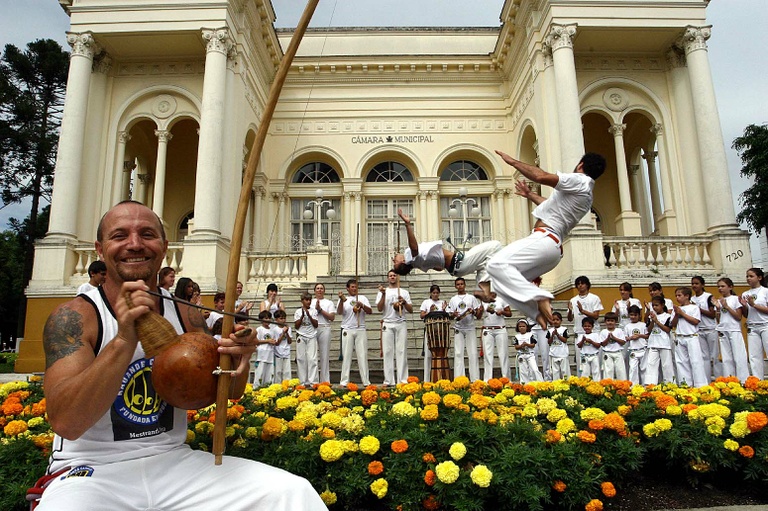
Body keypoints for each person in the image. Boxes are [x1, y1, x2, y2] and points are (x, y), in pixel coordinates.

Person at [37, 201, 325, 510]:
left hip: (172, 463)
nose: (134, 244)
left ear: (163, 246)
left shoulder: (186, 313)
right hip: (90, 472)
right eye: (120, 235)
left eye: (147, 234)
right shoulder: (76, 316)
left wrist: (239, 359)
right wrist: (123, 340)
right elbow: (67, 422)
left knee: (292, 494)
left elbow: (226, 391)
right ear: (99, 248)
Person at [487, 151, 606, 327]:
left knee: (495, 264)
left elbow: (541, 176)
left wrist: (513, 162)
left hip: (545, 239)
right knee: (500, 281)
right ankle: (535, 306)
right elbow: (550, 206)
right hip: (552, 250)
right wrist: (530, 195)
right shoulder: (587, 195)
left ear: (580, 165)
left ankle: (539, 297)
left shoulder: (579, 180)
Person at [393, 209, 502, 299]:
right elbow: (414, 248)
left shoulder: (418, 264)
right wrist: (407, 224)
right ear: (403, 262)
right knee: (495, 246)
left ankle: (480, 289)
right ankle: (483, 283)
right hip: (459, 263)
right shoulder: (409, 257)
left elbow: (439, 268)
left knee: (485, 263)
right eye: (395, 262)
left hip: (456, 270)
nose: (393, 259)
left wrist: (438, 257)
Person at [377, 270, 413, 385]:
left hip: (400, 323)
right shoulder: (383, 291)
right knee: (387, 352)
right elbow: (379, 308)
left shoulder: (404, 292)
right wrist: (383, 294)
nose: (392, 277)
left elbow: (411, 309)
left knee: (401, 351)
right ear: (388, 278)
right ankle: (388, 380)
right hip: (387, 322)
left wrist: (404, 302)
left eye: (394, 275)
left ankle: (402, 380)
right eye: (390, 276)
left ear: (397, 277)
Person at [337, 279, 372, 387]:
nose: (354, 288)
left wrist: (362, 305)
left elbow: (370, 311)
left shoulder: (362, 298)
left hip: (360, 328)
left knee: (362, 356)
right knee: (347, 356)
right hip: (348, 329)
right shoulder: (344, 299)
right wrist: (341, 302)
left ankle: (366, 381)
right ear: (347, 288)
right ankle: (344, 381)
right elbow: (339, 312)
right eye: (352, 287)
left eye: (356, 286)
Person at [446, 277, 482, 381]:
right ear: (455, 286)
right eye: (458, 284)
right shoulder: (453, 299)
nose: (460, 286)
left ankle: (475, 379)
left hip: (470, 327)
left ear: (465, 285)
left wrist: (474, 311)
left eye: (462, 284)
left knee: (473, 353)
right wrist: (454, 314)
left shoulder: (471, 298)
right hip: (458, 328)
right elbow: (450, 316)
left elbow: (478, 315)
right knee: (458, 353)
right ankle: (459, 379)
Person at [671, 286, 707, 387]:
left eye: (679, 295)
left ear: (687, 296)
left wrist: (682, 313)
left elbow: (695, 321)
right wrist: (677, 314)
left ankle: (700, 385)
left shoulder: (694, 307)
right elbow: (673, 324)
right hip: (679, 336)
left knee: (696, 361)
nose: (677, 298)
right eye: (676, 296)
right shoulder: (677, 309)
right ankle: (685, 384)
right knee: (681, 362)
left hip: (691, 336)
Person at [715, 277, 749, 382]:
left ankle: (743, 380)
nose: (720, 288)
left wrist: (727, 307)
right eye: (719, 286)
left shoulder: (735, 299)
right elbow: (719, 319)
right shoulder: (719, 300)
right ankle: (729, 380)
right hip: (723, 330)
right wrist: (718, 309)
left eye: (723, 286)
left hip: (734, 330)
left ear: (730, 287)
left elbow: (738, 317)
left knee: (739, 356)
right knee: (726, 358)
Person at [568, 276, 603, 374]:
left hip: (594, 332)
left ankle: (598, 383)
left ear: (587, 285)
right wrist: (570, 311)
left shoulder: (594, 298)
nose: (580, 285)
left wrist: (582, 311)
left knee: (596, 362)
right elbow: (570, 319)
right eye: (578, 284)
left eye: (582, 283)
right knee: (581, 363)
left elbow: (596, 316)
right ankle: (582, 383)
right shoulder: (573, 300)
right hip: (579, 332)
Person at [740, 267, 768, 379]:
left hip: (765, 325)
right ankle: (757, 382)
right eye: (747, 276)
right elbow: (746, 314)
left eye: (751, 276)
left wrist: (754, 305)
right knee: (754, 356)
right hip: (752, 326)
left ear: (759, 277)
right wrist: (744, 307)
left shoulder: (765, 291)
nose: (748, 278)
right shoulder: (745, 293)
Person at [691, 276, 720, 380]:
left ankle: (718, 379)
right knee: (704, 357)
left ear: (702, 285)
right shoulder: (692, 299)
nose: (694, 286)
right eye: (693, 284)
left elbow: (712, 314)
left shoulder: (708, 297)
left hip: (710, 328)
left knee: (714, 356)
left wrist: (698, 309)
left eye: (697, 283)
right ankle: (706, 380)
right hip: (699, 329)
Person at [480, 292, 511, 380]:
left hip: (500, 329)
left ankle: (506, 378)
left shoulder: (501, 299)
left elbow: (509, 313)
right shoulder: (483, 301)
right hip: (487, 329)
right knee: (488, 355)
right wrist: (481, 309)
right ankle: (487, 379)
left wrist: (502, 312)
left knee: (503, 354)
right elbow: (479, 314)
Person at [419, 284, 447, 383]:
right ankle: (427, 379)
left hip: (440, 332)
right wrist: (429, 312)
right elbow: (421, 315)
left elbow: (447, 316)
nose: (435, 295)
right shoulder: (426, 302)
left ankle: (441, 377)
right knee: (428, 354)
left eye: (437, 293)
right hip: (430, 330)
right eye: (433, 293)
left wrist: (444, 309)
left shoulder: (442, 302)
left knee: (440, 354)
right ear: (430, 293)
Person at [645, 296, 675, 385]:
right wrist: (653, 321)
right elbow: (649, 330)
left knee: (666, 365)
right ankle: (650, 384)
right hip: (653, 343)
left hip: (664, 344)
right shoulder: (651, 316)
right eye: (653, 305)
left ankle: (669, 384)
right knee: (651, 364)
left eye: (656, 305)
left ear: (662, 305)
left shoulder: (668, 316)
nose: (654, 307)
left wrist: (657, 322)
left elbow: (668, 329)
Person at [311, 282, 336, 383]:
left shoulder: (328, 303)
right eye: (317, 288)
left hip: (324, 327)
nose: (319, 290)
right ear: (314, 291)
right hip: (312, 328)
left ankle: (325, 380)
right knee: (312, 355)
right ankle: (313, 380)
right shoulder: (311, 302)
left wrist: (320, 310)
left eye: (321, 288)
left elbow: (332, 317)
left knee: (324, 355)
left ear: (324, 291)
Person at [294, 292, 319, 386]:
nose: (308, 302)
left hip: (312, 336)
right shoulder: (297, 311)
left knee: (312, 359)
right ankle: (302, 381)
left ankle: (313, 382)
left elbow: (316, 325)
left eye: (309, 300)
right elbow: (296, 326)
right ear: (302, 301)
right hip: (301, 335)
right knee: (301, 359)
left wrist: (308, 315)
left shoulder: (314, 311)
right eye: (306, 300)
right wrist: (302, 316)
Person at [624, 305, 649, 385]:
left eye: (635, 315)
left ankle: (645, 385)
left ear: (639, 315)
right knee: (633, 368)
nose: (633, 317)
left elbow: (647, 336)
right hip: (633, 350)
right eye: (631, 315)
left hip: (643, 349)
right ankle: (633, 386)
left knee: (644, 368)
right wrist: (631, 337)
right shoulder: (627, 326)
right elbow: (625, 338)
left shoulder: (643, 325)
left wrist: (639, 336)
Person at [254, 310, 278, 387]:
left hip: (270, 354)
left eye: (269, 318)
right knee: (260, 373)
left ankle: (268, 388)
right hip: (262, 355)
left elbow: (274, 340)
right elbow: (256, 341)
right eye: (266, 318)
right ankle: (256, 388)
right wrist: (267, 341)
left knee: (270, 374)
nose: (267, 320)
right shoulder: (259, 329)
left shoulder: (272, 330)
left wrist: (273, 342)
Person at [599, 312, 627, 381]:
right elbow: (603, 344)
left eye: (612, 321)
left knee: (620, 371)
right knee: (608, 371)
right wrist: (608, 338)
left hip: (618, 352)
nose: (610, 323)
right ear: (605, 322)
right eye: (608, 321)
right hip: (607, 353)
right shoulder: (603, 332)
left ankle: (622, 386)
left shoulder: (619, 331)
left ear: (615, 322)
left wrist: (615, 338)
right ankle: (608, 387)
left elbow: (623, 342)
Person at [547, 312, 570, 380]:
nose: (555, 321)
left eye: (557, 320)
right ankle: (556, 385)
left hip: (563, 354)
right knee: (555, 372)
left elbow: (565, 340)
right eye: (553, 320)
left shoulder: (564, 329)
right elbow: (549, 342)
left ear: (561, 321)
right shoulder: (550, 331)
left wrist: (557, 335)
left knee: (565, 371)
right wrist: (552, 336)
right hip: (554, 354)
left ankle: (567, 384)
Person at [272, 309, 293, 383]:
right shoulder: (274, 329)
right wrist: (283, 333)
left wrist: (287, 333)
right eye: (281, 318)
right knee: (278, 372)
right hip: (278, 353)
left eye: (284, 318)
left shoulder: (288, 328)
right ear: (276, 319)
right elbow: (277, 343)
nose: (283, 320)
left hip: (286, 352)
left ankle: (287, 387)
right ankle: (278, 386)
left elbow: (290, 341)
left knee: (287, 372)